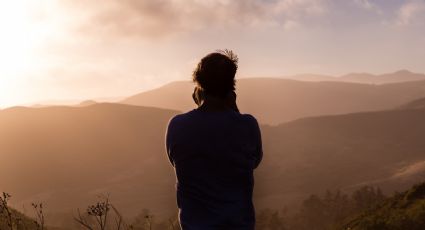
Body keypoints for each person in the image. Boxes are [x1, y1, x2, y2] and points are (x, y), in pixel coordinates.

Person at [165, 50, 263, 230]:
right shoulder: (248, 125)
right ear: (231, 86)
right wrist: (234, 110)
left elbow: (175, 161)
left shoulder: (177, 126)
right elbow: (253, 162)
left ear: (198, 84)